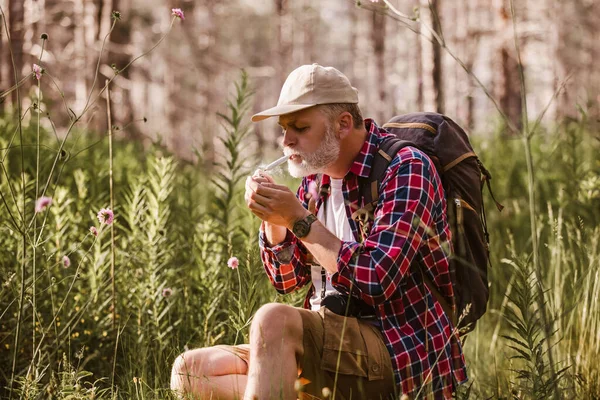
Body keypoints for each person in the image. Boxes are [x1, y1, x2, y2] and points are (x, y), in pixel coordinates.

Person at [170, 64, 467, 400]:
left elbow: (377, 278)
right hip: (334, 341)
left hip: (399, 348)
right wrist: (274, 221)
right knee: (190, 370)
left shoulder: (406, 168)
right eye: (284, 129)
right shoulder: (315, 180)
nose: (286, 141)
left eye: (300, 127)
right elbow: (288, 280)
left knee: (273, 321)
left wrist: (298, 219)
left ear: (342, 124)